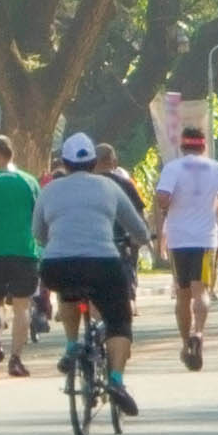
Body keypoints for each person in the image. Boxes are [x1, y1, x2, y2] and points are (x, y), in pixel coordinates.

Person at [33, 132, 146, 416]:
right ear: (94, 162)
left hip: (57, 265)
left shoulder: (49, 190)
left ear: (64, 163)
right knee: (120, 321)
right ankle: (117, 382)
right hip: (103, 264)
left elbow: (38, 233)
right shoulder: (109, 187)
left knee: (66, 292)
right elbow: (139, 230)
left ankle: (72, 346)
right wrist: (140, 240)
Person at [150, 124, 218, 370]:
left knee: (183, 294)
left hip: (179, 239)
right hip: (205, 239)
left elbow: (162, 198)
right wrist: (215, 206)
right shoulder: (217, 168)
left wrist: (172, 206)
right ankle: (199, 333)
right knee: (201, 291)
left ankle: (185, 341)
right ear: (204, 146)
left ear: (182, 146)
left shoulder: (172, 168)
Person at [0, 131, 46, 372]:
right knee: (22, 306)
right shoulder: (30, 181)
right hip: (25, 250)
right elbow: (41, 214)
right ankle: (16, 358)